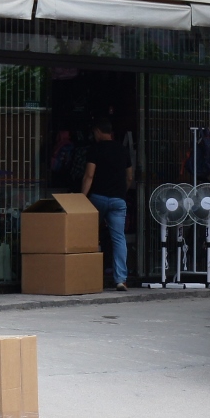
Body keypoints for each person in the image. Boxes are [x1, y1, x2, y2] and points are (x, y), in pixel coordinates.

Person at [81, 118, 133, 291]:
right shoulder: (123, 150)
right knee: (119, 238)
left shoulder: (95, 149)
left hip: (98, 199)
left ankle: (85, 275)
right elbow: (130, 177)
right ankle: (120, 279)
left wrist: (82, 197)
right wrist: (121, 192)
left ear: (97, 131)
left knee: (88, 235)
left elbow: (89, 175)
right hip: (118, 200)